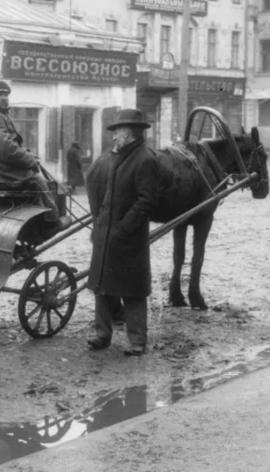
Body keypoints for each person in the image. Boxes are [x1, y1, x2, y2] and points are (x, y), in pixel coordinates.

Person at [86, 108, 159, 356]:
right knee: (102, 287)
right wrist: (100, 226)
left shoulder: (145, 159)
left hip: (128, 238)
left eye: (117, 132)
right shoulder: (114, 157)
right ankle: (102, 334)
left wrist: (124, 228)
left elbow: (145, 201)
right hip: (106, 233)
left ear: (129, 134)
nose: (114, 137)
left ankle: (137, 340)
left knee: (133, 290)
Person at [0, 80, 60, 223]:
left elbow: (7, 144)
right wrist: (30, 160)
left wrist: (28, 155)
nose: (4, 97)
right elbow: (5, 149)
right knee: (36, 179)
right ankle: (52, 221)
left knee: (34, 174)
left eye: (6, 94)